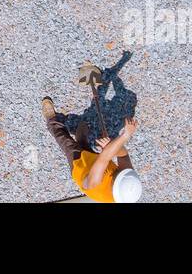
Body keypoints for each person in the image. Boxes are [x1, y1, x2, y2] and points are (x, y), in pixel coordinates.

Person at [42, 68, 143, 203]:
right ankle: (81, 138)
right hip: (95, 158)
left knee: (65, 141)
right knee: (84, 136)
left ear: (115, 185)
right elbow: (123, 155)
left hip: (80, 165)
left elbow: (104, 158)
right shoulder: (127, 179)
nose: (119, 171)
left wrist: (125, 136)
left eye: (118, 174)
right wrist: (111, 145)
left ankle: (52, 120)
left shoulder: (95, 184)